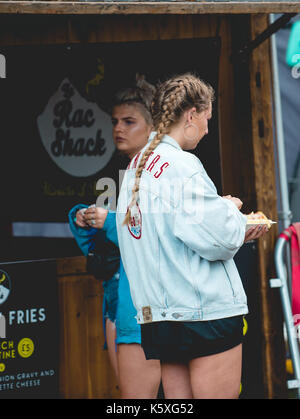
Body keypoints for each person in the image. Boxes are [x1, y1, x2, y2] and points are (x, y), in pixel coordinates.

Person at [115, 72, 268, 399]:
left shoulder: (136, 167)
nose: (208, 128)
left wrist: (215, 209)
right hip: (204, 312)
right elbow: (219, 239)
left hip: (161, 318)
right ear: (191, 115)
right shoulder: (182, 165)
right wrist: (231, 211)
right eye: (207, 118)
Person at [68, 75, 161, 398]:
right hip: (117, 298)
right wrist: (84, 219)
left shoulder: (161, 170)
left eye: (129, 121)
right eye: (115, 121)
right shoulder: (123, 169)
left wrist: (109, 222)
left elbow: (155, 239)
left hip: (148, 306)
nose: (118, 128)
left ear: (152, 126)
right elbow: (106, 250)